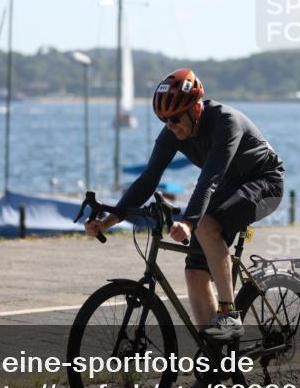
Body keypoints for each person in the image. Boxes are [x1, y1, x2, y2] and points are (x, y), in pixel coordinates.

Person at [84, 69, 285, 339]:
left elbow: (208, 180)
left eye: (176, 119)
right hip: (229, 186)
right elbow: (148, 180)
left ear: (196, 109)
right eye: (164, 120)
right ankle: (213, 366)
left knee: (205, 226)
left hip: (265, 184)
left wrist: (189, 222)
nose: (171, 126)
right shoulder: (173, 132)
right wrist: (108, 221)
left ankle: (229, 315)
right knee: (195, 274)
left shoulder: (226, 122)